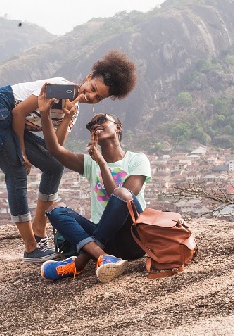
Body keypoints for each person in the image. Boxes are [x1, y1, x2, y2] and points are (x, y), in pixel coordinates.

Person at [0, 50, 137, 263]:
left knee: (54, 166)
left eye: (98, 96)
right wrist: (22, 152)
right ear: (87, 79)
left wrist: (66, 116)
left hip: (13, 123)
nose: (91, 95)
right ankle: (31, 248)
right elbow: (18, 113)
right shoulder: (58, 86)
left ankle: (39, 231)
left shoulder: (72, 111)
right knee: (18, 170)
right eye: (92, 88)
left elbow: (55, 146)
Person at [37, 98, 152, 282]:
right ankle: (104, 257)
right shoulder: (89, 163)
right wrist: (44, 113)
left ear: (118, 127)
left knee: (122, 194)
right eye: (92, 125)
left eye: (102, 120)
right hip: (106, 240)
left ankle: (79, 264)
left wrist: (102, 163)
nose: (96, 126)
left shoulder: (137, 160)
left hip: (133, 237)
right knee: (54, 209)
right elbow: (55, 150)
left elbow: (123, 199)